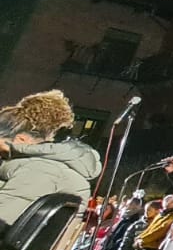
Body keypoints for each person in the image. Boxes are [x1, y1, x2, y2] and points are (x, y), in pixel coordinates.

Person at [0, 90, 102, 230]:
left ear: (21, 140)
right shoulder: (55, 168)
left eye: (2, 151)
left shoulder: (41, 170)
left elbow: (4, 218)